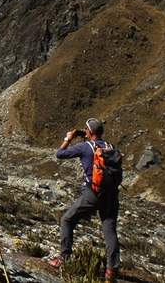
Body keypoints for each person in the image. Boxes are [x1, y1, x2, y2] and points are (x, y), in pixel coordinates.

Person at [49, 118, 121, 283]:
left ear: (89, 132)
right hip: (111, 195)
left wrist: (68, 138)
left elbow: (60, 154)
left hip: (93, 193)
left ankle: (64, 258)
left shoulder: (85, 147)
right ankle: (111, 270)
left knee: (67, 219)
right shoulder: (110, 147)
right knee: (109, 230)